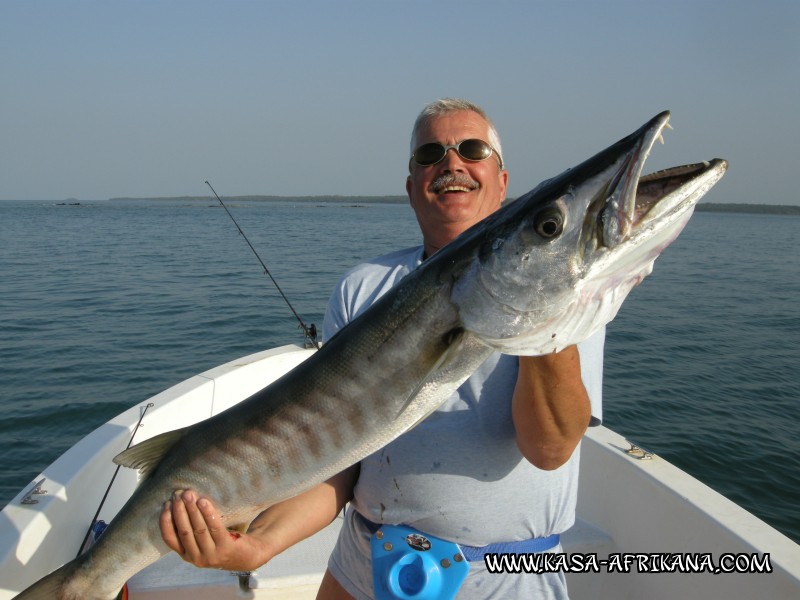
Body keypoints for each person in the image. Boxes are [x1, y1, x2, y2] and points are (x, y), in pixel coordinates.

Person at [160, 98, 604, 599]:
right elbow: (340, 462)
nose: (451, 163)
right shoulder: (362, 289)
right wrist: (259, 544)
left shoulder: (573, 296)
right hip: (365, 562)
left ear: (503, 182)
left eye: (472, 150)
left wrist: (541, 302)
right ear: (412, 188)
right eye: (430, 154)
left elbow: (549, 450)